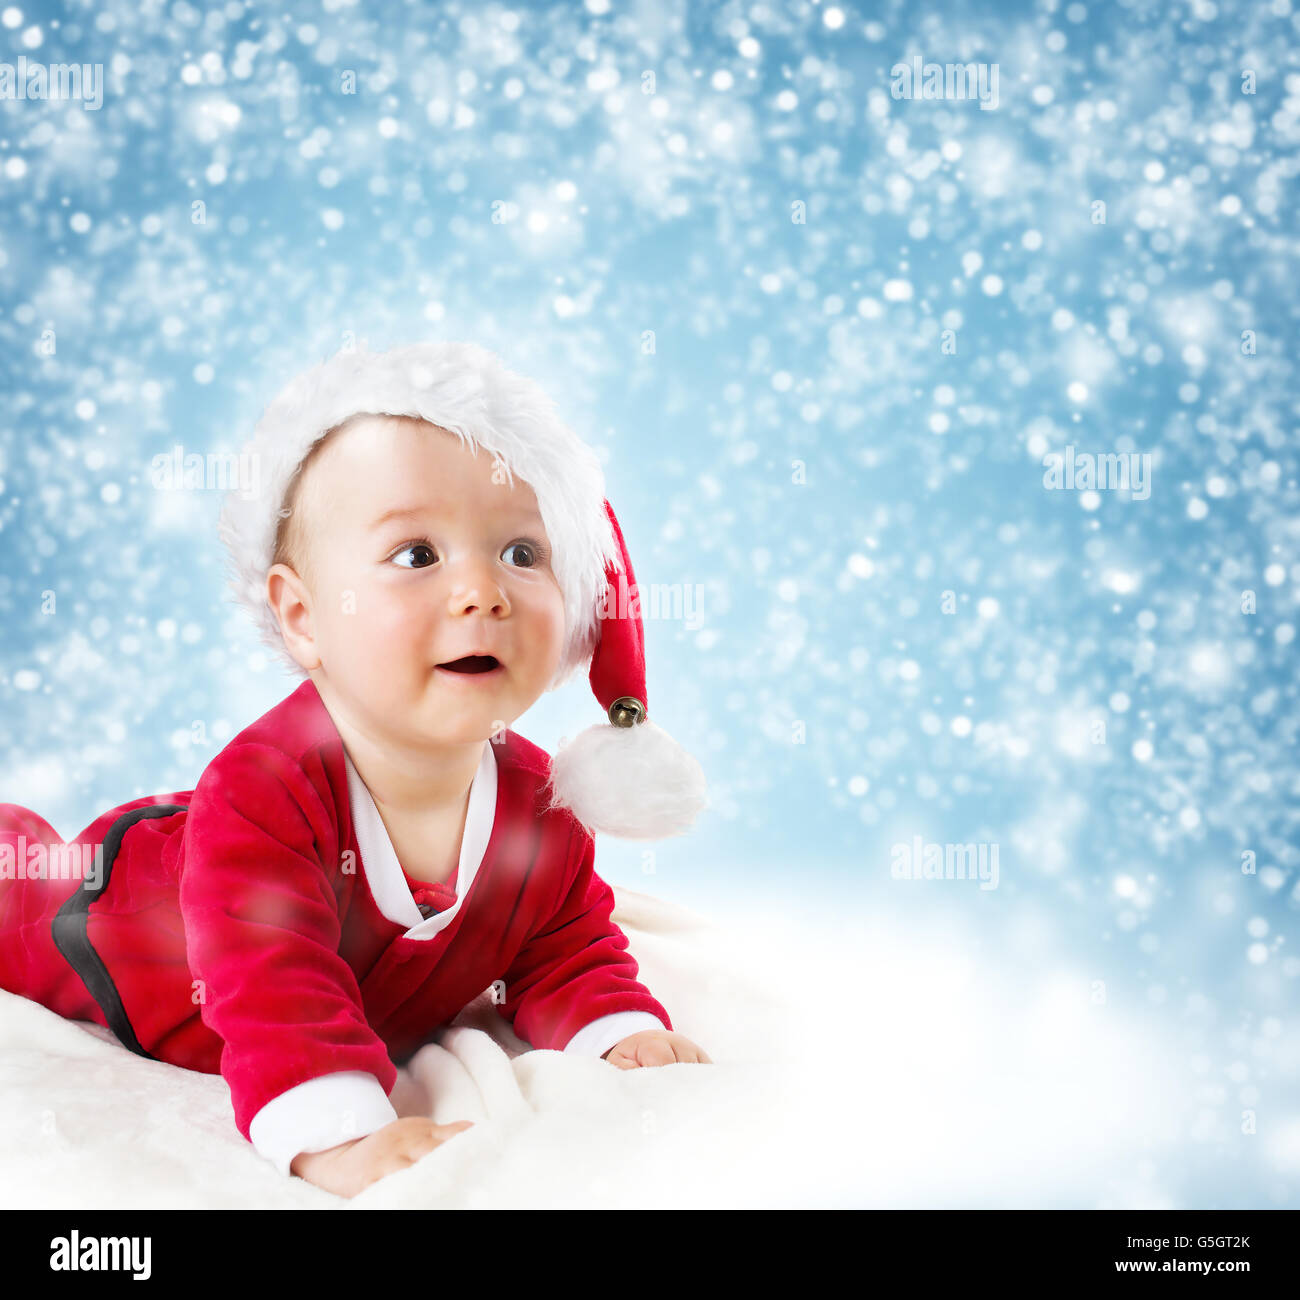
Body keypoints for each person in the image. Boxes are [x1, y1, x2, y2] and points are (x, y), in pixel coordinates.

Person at [0, 341, 711, 1198]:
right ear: (303, 617)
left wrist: (610, 1024)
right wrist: (337, 1129)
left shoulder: (541, 806)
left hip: (229, 843)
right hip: (119, 930)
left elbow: (561, 946)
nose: (482, 591)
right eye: (418, 555)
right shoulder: (264, 789)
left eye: (522, 553)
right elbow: (273, 981)